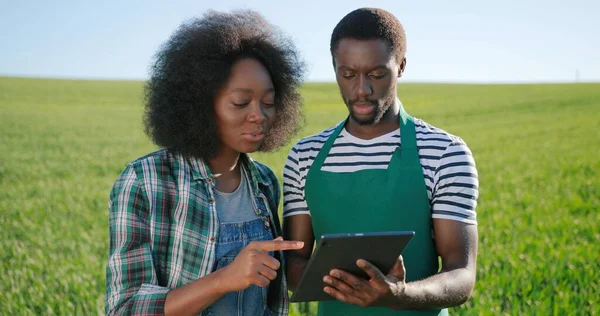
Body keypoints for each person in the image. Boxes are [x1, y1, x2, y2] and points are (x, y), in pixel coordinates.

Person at [105, 9, 306, 316]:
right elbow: (125, 308)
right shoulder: (145, 181)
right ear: (200, 103)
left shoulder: (264, 182)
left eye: (268, 102)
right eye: (240, 102)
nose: (259, 115)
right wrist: (224, 279)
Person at [283, 7, 479, 316]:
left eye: (376, 74)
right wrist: (349, 284)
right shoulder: (304, 156)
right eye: (347, 74)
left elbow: (461, 274)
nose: (361, 90)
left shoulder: (445, 152)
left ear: (401, 66)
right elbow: (294, 261)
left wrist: (400, 295)